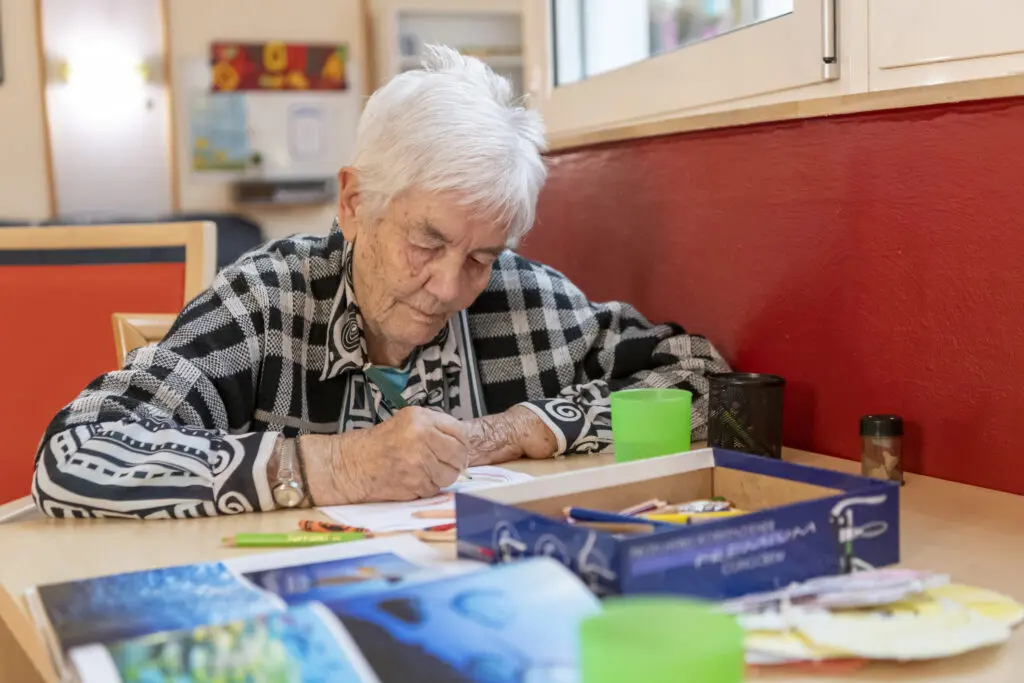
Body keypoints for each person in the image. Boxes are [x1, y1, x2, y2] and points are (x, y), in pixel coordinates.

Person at [32, 46, 729, 520]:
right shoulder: (266, 302)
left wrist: (530, 425)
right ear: (354, 203)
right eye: (426, 241)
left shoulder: (525, 300)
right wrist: (330, 468)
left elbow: (705, 381)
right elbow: (73, 455)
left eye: (481, 254)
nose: (450, 286)